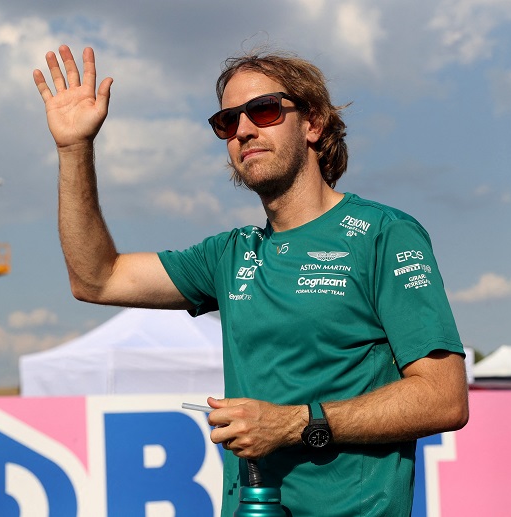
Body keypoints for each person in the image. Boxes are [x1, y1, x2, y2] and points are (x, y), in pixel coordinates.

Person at [33, 44, 469, 517]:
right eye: (226, 121)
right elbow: (96, 279)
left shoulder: (384, 233)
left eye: (262, 111)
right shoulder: (229, 254)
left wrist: (293, 424)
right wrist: (74, 148)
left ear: (313, 123)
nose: (242, 130)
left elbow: (443, 398)